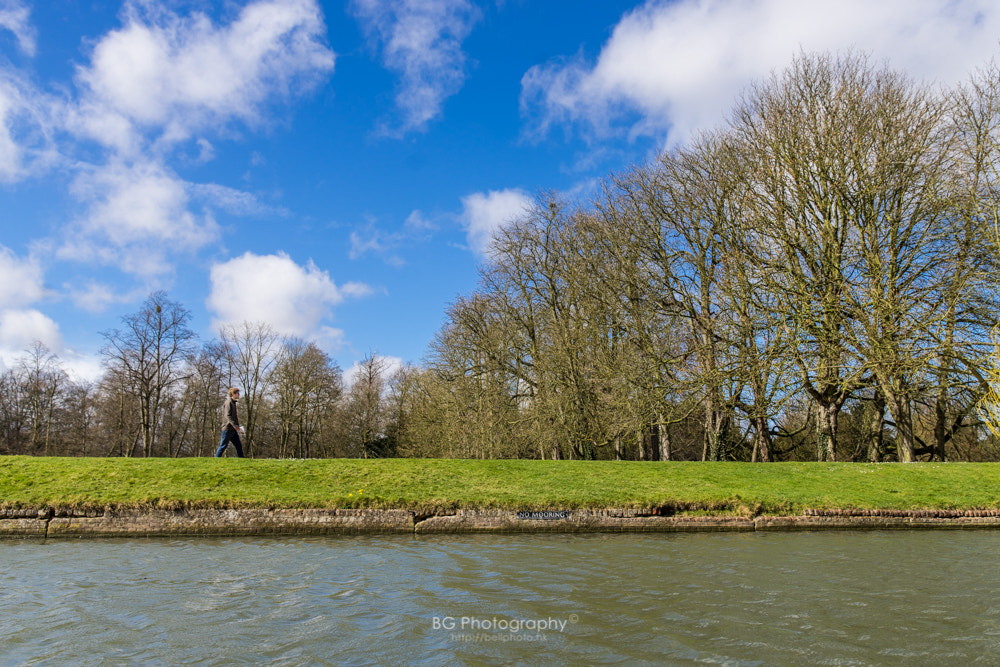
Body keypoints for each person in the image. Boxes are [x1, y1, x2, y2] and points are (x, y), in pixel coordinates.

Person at [215, 387, 246, 458]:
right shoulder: (228, 402)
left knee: (238, 445)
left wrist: (237, 427)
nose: (239, 394)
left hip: (233, 429)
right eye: (237, 393)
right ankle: (216, 459)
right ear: (233, 394)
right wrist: (235, 426)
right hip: (227, 429)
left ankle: (242, 460)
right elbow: (228, 416)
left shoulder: (233, 403)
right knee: (223, 446)